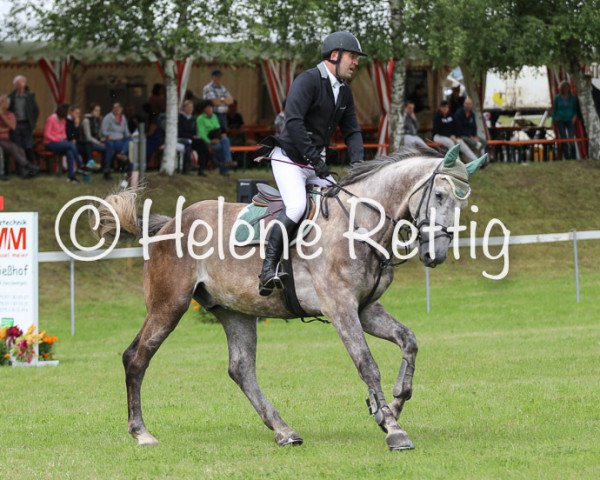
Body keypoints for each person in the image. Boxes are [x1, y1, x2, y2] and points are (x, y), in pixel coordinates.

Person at [256, 31, 365, 296]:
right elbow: (293, 122)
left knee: (342, 203)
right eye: (352, 56)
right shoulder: (307, 80)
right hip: (290, 160)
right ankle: (267, 269)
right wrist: (316, 161)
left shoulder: (344, 92)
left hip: (315, 165)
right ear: (335, 55)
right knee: (297, 206)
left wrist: (360, 167)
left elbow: (352, 131)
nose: (356, 63)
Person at [0, 94, 39, 179]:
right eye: (1, 101)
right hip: (1, 140)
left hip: (6, 140)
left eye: (3, 102)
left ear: (7, 104)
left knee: (20, 149)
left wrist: (2, 115)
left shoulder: (11, 115)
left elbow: (13, 127)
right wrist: (6, 129)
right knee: (13, 148)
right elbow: (9, 128)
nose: (1, 103)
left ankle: (24, 172)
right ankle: (29, 166)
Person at [43, 104, 83, 183]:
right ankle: (80, 164)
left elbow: (64, 134)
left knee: (70, 152)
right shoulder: (51, 119)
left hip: (60, 143)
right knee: (71, 145)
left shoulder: (63, 120)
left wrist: (63, 138)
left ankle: (71, 177)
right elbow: (47, 134)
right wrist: (58, 139)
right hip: (50, 143)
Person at [8, 75, 39, 166]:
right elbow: (8, 111)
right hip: (16, 124)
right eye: (18, 84)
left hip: (27, 124)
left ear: (25, 84)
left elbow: (36, 110)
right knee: (18, 147)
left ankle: (31, 168)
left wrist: (33, 123)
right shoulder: (11, 97)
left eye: (22, 83)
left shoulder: (30, 97)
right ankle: (21, 170)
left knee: (28, 146)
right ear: (15, 86)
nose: (20, 86)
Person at [196, 100, 231, 176]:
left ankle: (228, 161)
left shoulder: (214, 116)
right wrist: (210, 141)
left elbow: (218, 128)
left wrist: (221, 135)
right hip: (207, 141)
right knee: (220, 147)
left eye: (211, 108)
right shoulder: (200, 119)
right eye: (207, 108)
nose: (209, 109)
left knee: (225, 139)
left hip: (216, 137)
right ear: (204, 109)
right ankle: (224, 169)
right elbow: (202, 134)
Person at [101, 102, 132, 180]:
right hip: (111, 139)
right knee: (111, 146)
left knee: (131, 141)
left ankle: (122, 154)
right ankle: (108, 169)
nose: (117, 109)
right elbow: (103, 131)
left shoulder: (123, 118)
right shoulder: (108, 117)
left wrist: (131, 136)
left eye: (119, 108)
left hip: (121, 140)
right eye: (115, 108)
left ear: (121, 109)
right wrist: (108, 135)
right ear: (113, 109)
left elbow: (126, 133)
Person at [178, 99, 209, 176]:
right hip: (182, 139)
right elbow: (180, 133)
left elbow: (194, 131)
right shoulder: (179, 118)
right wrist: (192, 136)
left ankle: (201, 169)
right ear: (183, 108)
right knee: (187, 145)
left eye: (191, 107)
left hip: (192, 139)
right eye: (188, 107)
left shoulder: (193, 119)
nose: (190, 109)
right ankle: (186, 169)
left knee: (203, 145)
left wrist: (196, 136)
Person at [552, 81, 579, 160]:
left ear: (569, 88)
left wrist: (575, 116)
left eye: (567, 87)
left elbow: (575, 110)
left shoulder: (573, 98)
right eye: (564, 88)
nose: (566, 89)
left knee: (571, 138)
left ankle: (573, 157)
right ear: (561, 89)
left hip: (570, 119)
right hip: (560, 120)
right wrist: (553, 121)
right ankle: (566, 157)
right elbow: (554, 110)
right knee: (563, 138)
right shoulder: (557, 98)